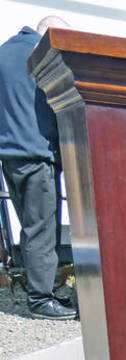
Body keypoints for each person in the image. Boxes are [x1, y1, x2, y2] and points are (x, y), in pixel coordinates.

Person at [0, 16, 75, 320]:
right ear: (51, 34)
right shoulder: (43, 55)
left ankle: (40, 292)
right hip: (36, 151)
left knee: (30, 227)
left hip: (9, 155)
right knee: (42, 228)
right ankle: (41, 300)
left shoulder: (4, 52)